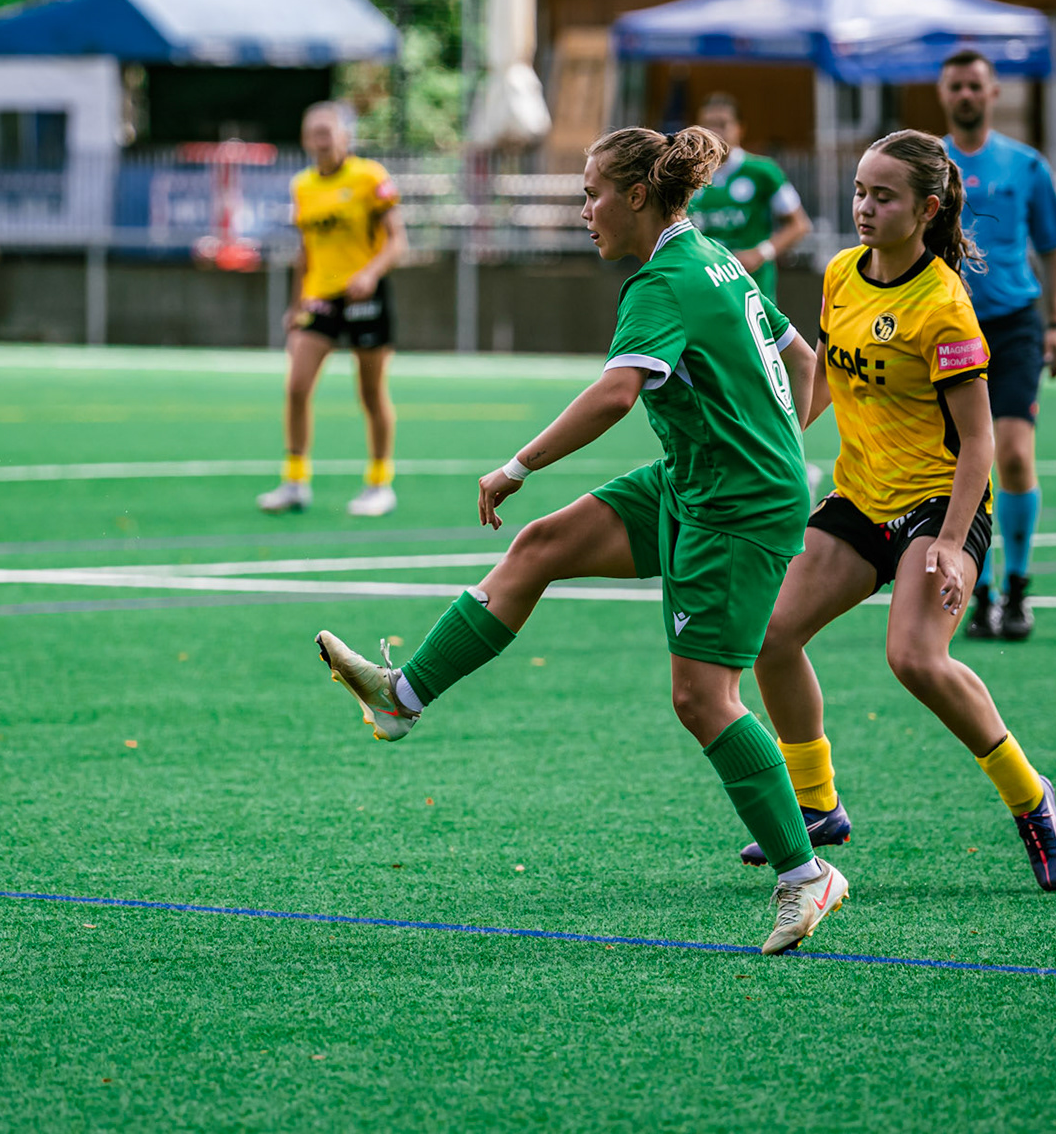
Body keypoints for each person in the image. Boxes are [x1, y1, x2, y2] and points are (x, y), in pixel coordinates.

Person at [314, 126, 850, 956]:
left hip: (734, 507)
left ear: (638, 196)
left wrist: (517, 463)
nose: (583, 211)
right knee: (543, 547)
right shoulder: (709, 257)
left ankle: (806, 875)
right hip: (699, 478)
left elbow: (614, 396)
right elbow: (801, 357)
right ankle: (401, 697)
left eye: (591, 193)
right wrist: (780, 442)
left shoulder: (664, 281)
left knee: (702, 699)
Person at [743, 129, 1056, 893]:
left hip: (938, 502)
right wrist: (782, 434)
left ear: (926, 209)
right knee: (772, 636)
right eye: (859, 190)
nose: (863, 206)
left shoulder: (944, 307)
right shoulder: (839, 275)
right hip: (860, 498)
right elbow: (827, 372)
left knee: (916, 660)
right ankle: (818, 806)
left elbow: (981, 439)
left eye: (882, 196)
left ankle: (1030, 798)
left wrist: (955, 545)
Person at [938, 49, 1056, 641]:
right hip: (945, 326)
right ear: (943, 95)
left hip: (1015, 324)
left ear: (992, 93)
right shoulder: (927, 164)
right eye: (956, 86)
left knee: (1013, 453)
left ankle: (1017, 588)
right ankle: (978, 590)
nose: (966, 94)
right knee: (962, 461)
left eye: (975, 85)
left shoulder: (1026, 166)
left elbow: (1054, 247)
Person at [257, 102, 409, 518]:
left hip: (365, 297)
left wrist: (370, 273)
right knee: (297, 386)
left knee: (370, 392)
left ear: (345, 136)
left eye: (328, 131)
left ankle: (379, 483)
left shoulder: (369, 177)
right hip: (320, 297)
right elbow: (305, 250)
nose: (320, 140)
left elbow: (398, 240)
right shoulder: (303, 185)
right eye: (313, 132)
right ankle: (294, 481)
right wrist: (295, 303)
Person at [689, 93, 813, 304]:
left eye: (722, 124)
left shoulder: (763, 172)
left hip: (752, 289)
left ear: (739, 128)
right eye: (708, 124)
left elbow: (799, 224)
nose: (715, 132)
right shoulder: (688, 175)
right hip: (702, 287)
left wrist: (760, 253)